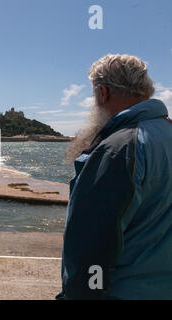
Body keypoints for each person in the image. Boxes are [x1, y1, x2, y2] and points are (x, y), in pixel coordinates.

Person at [59, 54, 172, 299]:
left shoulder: (118, 149)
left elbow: (92, 245)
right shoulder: (166, 132)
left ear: (102, 93)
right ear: (147, 89)